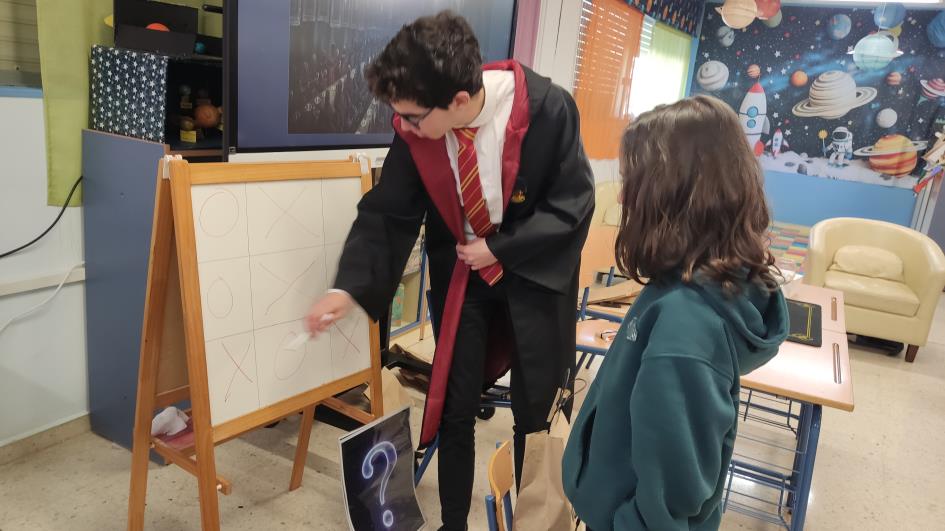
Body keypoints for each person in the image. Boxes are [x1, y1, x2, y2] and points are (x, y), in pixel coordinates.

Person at [304, 11, 594, 530]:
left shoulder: (547, 109)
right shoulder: (418, 126)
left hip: (535, 276)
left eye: (414, 118)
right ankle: (453, 522)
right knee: (456, 406)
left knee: (537, 413)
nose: (406, 127)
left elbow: (573, 203)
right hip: (465, 279)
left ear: (459, 101)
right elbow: (389, 210)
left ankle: (536, 523)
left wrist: (500, 248)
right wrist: (347, 289)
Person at [562, 95, 790, 531]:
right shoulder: (692, 285)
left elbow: (670, 497)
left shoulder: (686, 324)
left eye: (633, 182)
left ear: (676, 195)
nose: (624, 195)